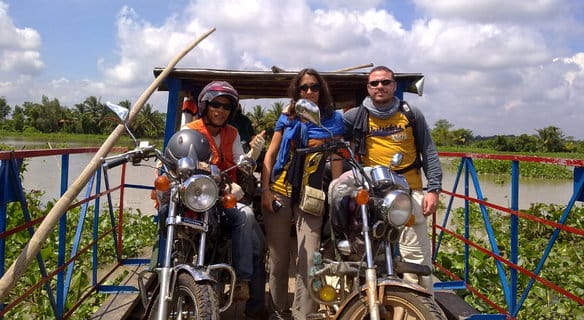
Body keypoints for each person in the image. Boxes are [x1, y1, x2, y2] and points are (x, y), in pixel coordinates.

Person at [343, 66, 442, 293]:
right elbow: (328, 128)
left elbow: (429, 152)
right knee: (369, 257)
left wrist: (434, 189)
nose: (380, 87)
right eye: (374, 83)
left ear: (394, 86)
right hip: (372, 195)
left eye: (385, 82)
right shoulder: (355, 116)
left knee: (418, 264)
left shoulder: (411, 114)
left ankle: (420, 309)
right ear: (368, 88)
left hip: (408, 193)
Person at [261, 68, 344, 320]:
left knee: (310, 259)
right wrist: (265, 190)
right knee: (278, 258)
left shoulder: (333, 120)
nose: (309, 91)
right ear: (296, 91)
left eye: (314, 87)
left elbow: (337, 158)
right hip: (279, 191)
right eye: (303, 87)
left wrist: (337, 193)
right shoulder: (287, 117)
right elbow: (271, 154)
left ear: (322, 91)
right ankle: (278, 311)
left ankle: (303, 314)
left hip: (312, 194)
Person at [183, 80, 267, 319]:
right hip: (198, 198)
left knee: (249, 221)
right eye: (216, 105)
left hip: (226, 198)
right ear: (205, 106)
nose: (220, 111)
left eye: (226, 107)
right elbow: (177, 158)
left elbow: (241, 163)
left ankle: (243, 282)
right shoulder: (190, 131)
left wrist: (253, 154)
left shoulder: (233, 132)